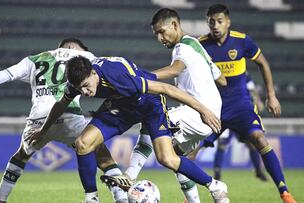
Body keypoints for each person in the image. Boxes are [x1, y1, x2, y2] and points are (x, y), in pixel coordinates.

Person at [26, 55, 230, 203]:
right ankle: (91, 198)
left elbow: (167, 89)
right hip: (121, 106)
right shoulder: (77, 80)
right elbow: (60, 104)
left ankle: (214, 185)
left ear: (93, 73)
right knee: (82, 144)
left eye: (87, 86)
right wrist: (43, 131)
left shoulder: (118, 77)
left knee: (167, 158)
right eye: (81, 90)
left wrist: (203, 110)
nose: (85, 92)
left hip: (149, 105)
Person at [0, 38, 128, 203]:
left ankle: (0, 200)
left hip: (38, 120)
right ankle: (120, 199)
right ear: (72, 47)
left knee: (20, 156)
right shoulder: (83, 57)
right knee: (102, 155)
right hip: (69, 115)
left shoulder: (33, 60)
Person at [110, 7, 227, 203]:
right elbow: (222, 79)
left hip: (199, 112)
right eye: (156, 34)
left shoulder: (183, 46)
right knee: (176, 158)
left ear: (174, 25)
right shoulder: (197, 47)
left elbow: (174, 70)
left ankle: (130, 175)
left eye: (161, 31)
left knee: (152, 119)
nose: (159, 38)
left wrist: (138, 79)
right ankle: (212, 197)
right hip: (208, 113)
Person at [197, 4, 296, 203]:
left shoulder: (242, 41)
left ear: (228, 22)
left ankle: (284, 192)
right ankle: (189, 196)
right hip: (213, 108)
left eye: (219, 21)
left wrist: (271, 95)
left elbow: (263, 64)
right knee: (191, 150)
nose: (215, 25)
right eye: (211, 21)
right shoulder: (200, 45)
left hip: (241, 106)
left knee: (259, 138)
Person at [208, 72, 267, 181]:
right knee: (222, 144)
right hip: (225, 112)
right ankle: (217, 174)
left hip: (241, 114)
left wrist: (258, 101)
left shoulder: (244, 74)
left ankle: (258, 170)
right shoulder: (219, 72)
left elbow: (252, 89)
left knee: (251, 143)